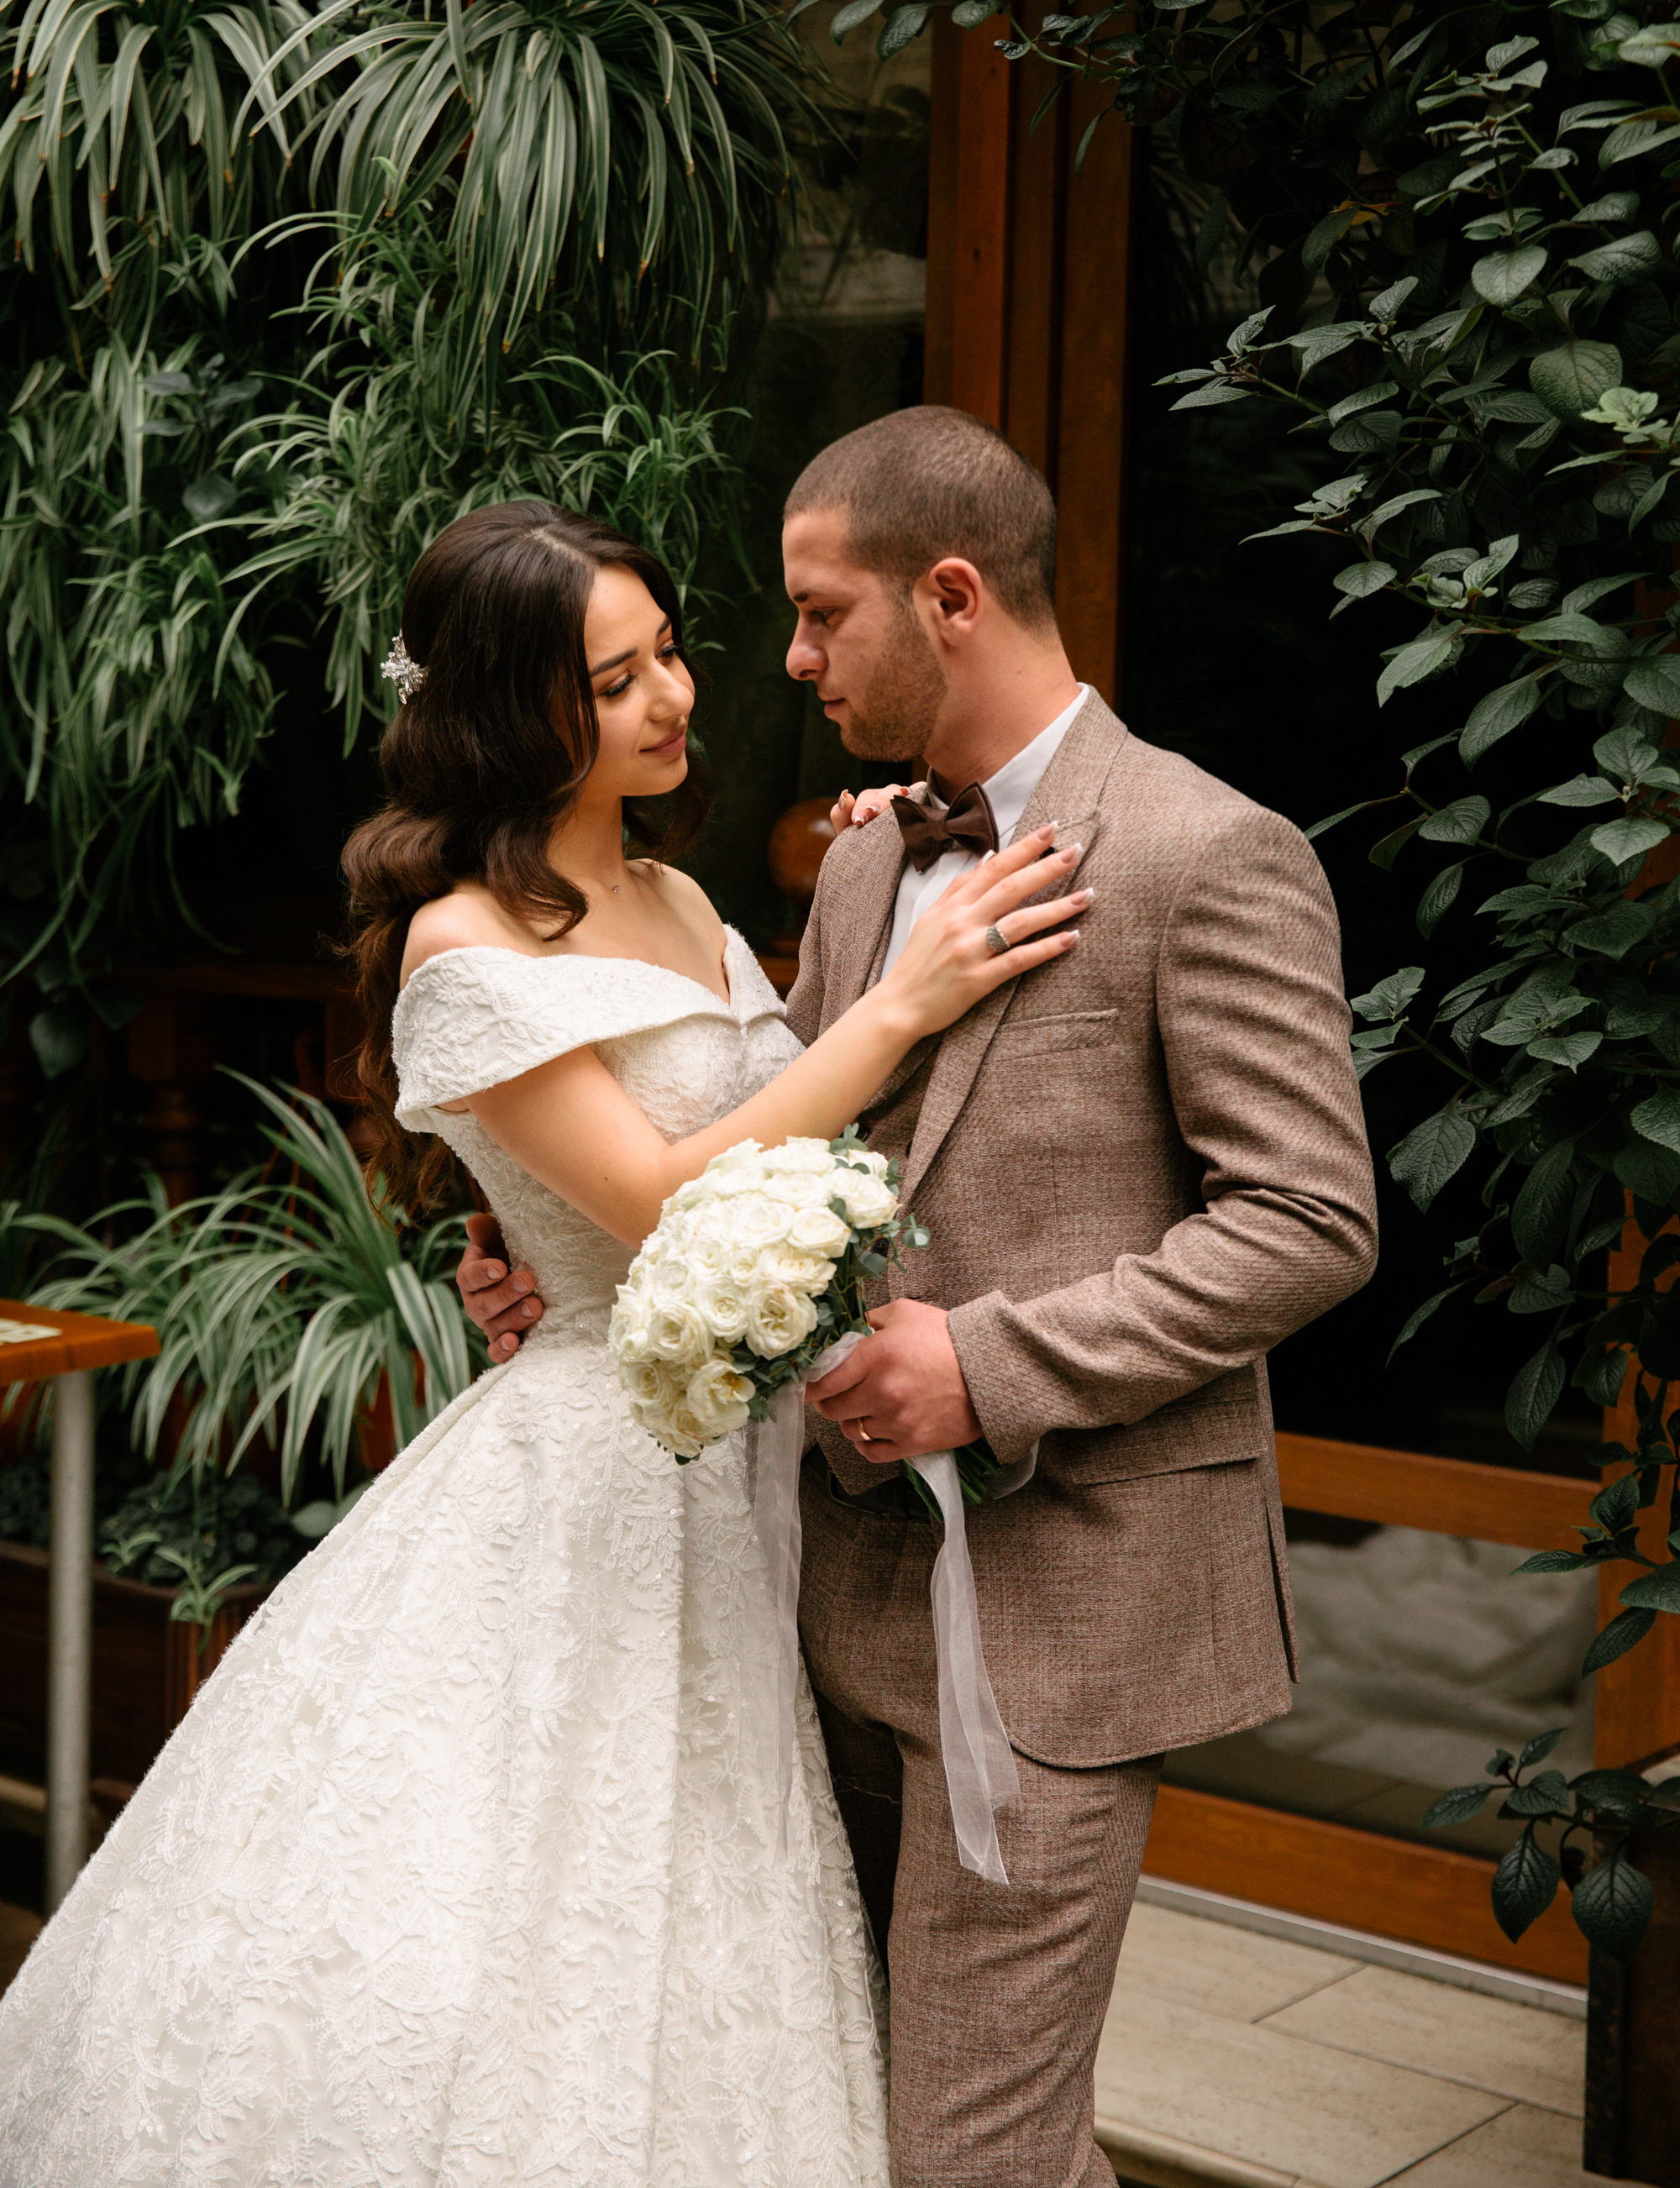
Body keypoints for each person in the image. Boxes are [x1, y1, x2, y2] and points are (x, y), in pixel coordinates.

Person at [0, 496, 1090, 2187]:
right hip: (595, 1467)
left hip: (752, 1468)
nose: (674, 697)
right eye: (615, 678)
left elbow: (769, 1115)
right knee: (523, 1891)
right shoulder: (463, 944)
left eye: (666, 654)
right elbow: (659, 1200)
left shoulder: (680, 895)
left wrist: (885, 866)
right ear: (515, 710)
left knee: (712, 1884)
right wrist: (900, 1002)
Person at [462, 405, 1379, 2188]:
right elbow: (779, 1162)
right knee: (839, 2116)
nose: (787, 660)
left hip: (1061, 1617)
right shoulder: (868, 852)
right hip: (819, 1594)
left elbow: (1306, 1220)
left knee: (970, 2153)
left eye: (821, 616)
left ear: (947, 596)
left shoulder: (1210, 851)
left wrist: (983, 1361)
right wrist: (579, 1273)